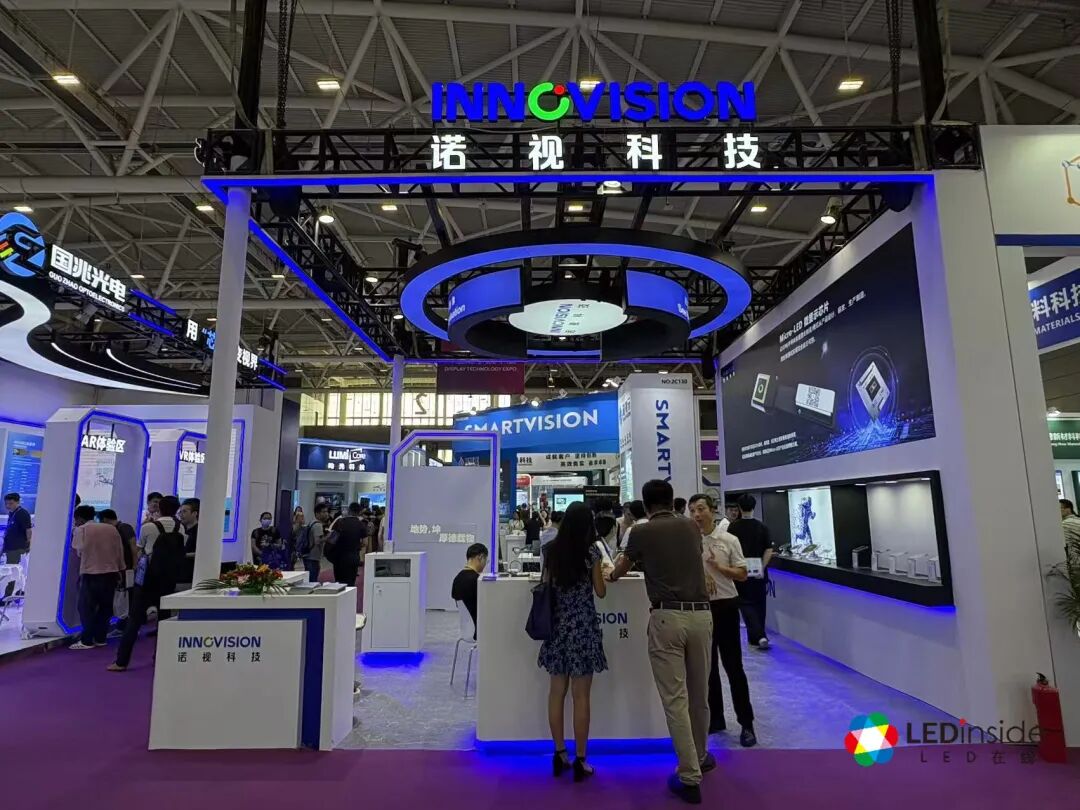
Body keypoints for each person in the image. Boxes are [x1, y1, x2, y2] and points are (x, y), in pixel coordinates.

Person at [609, 480, 714, 804]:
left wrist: (611, 573)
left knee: (675, 700)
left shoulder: (641, 532)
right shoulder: (691, 527)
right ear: (671, 501)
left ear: (645, 504)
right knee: (699, 695)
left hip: (667, 617)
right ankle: (701, 756)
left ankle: (689, 776)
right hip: (702, 616)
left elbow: (619, 570)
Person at [537, 502, 607, 782]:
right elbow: (600, 591)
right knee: (581, 696)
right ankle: (581, 758)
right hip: (583, 629)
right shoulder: (592, 553)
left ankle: (559, 753)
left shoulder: (550, 551)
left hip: (557, 627)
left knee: (556, 693)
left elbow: (545, 584)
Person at [688, 494, 756, 747]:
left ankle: (746, 723)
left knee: (733, 667)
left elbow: (742, 573)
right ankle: (715, 718)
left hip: (726, 607)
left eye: (701, 509)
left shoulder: (729, 540)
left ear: (713, 510)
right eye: (692, 510)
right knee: (708, 668)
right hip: (700, 609)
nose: (697, 514)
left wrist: (719, 569)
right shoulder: (690, 542)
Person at [110, 496, 186, 672]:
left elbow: (140, 549)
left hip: (147, 578)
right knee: (165, 620)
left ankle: (121, 661)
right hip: (168, 578)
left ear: (160, 508)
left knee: (134, 619)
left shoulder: (148, 527)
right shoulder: (180, 527)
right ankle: (160, 658)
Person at [70, 505, 125, 650]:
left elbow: (78, 549)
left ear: (79, 519)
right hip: (111, 573)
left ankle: (87, 640)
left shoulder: (81, 530)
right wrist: (121, 570)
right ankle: (101, 638)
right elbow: (119, 551)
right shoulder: (111, 529)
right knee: (105, 607)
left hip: (91, 573)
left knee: (86, 608)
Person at [728, 494, 774, 650]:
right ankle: (757, 637)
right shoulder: (762, 527)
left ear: (740, 508)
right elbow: (768, 549)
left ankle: (758, 636)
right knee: (760, 604)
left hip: (740, 571)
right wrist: (762, 566)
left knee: (745, 603)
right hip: (759, 572)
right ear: (754, 507)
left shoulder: (733, 527)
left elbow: (729, 550)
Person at [451, 542, 488, 638]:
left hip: (466, 630)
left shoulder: (457, 579)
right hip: (479, 629)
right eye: (486, 560)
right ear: (480, 557)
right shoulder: (477, 580)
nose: (485, 564)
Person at [327, 502, 369, 586]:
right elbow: (365, 543)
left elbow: (331, 540)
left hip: (339, 557)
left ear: (349, 510)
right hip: (353, 556)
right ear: (359, 512)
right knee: (350, 582)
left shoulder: (340, 522)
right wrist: (356, 545)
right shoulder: (361, 524)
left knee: (339, 582)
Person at [300, 502, 330, 582]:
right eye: (324, 512)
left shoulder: (312, 522)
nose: (326, 514)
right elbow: (317, 541)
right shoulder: (318, 525)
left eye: (327, 511)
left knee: (309, 578)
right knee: (312, 580)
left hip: (308, 554)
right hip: (312, 556)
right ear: (317, 513)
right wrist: (328, 537)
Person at [2, 492, 32, 565]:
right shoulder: (12, 512)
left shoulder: (23, 513)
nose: (8, 506)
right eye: (6, 503)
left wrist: (27, 545)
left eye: (11, 503)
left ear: (18, 502)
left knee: (11, 567)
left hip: (16, 548)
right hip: (9, 546)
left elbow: (28, 530)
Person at [177, 498, 200, 586]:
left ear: (194, 513)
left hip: (190, 575)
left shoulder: (200, 531)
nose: (181, 515)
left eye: (184, 511)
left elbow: (202, 553)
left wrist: (183, 554)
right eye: (180, 512)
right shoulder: (179, 528)